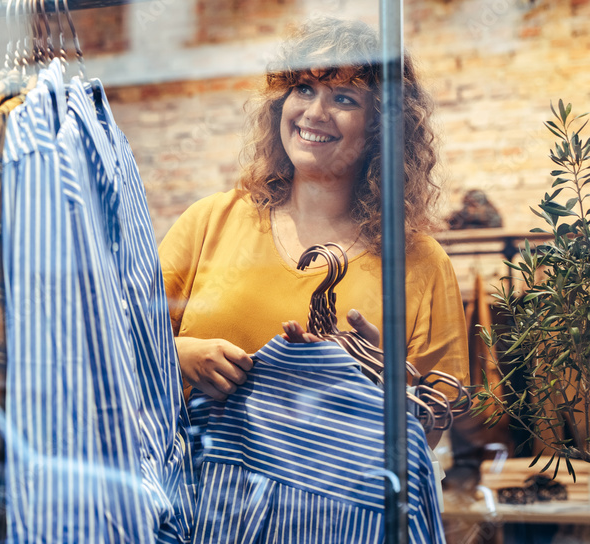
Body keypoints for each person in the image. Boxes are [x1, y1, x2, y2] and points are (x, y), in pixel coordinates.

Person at [158, 18, 468, 417]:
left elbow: (439, 419)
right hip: (197, 476)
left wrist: (382, 385)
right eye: (304, 89)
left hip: (342, 480)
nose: (315, 112)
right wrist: (179, 354)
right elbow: (120, 345)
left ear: (380, 127)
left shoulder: (420, 262)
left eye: (344, 99)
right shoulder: (209, 221)